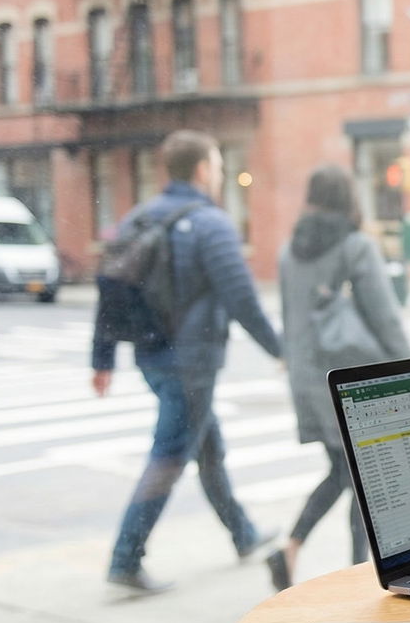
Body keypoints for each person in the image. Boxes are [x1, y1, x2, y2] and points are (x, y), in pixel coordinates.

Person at [91, 129, 285, 594]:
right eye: (217, 165)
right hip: (191, 362)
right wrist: (281, 350)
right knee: (171, 455)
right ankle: (125, 558)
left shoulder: (138, 217)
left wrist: (102, 359)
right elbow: (241, 297)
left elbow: (111, 290)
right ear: (202, 169)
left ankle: (243, 534)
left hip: (152, 356)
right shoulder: (211, 224)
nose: (217, 174)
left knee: (207, 445)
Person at [266, 164, 410, 590]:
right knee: (361, 477)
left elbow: (290, 321)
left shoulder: (289, 251)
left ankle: (291, 549)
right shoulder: (355, 247)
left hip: (308, 380)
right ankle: (358, 573)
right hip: (350, 382)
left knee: (345, 472)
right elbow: (384, 319)